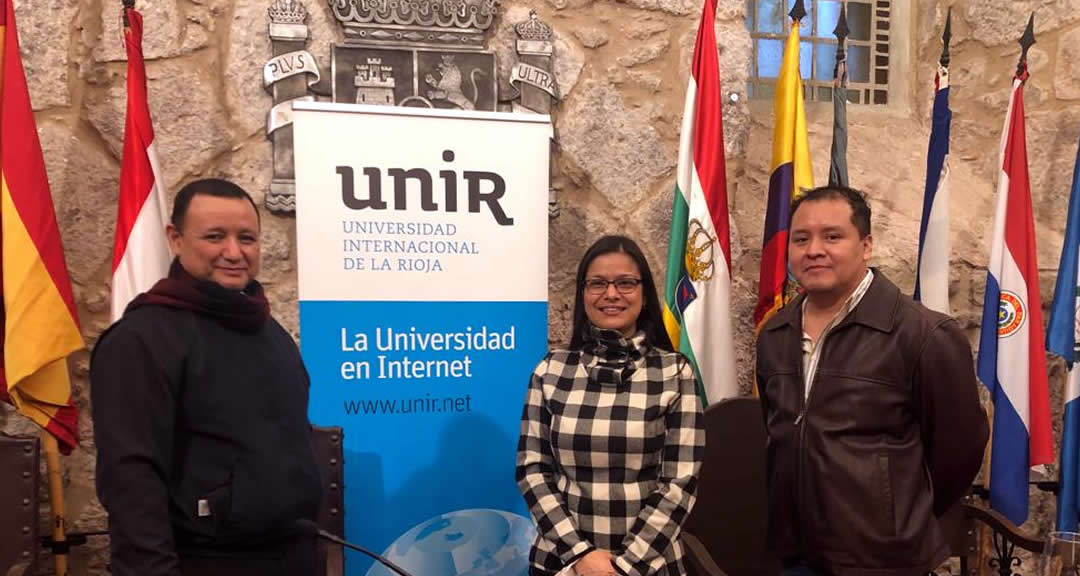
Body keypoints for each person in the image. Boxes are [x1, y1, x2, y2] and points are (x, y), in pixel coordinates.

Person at [90, 178, 324, 576]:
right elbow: (131, 480)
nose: (234, 253)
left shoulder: (273, 334)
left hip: (294, 559)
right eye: (215, 236)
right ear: (175, 239)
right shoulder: (140, 341)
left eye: (247, 238)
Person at [756, 186, 989, 576]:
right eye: (801, 239)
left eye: (832, 236)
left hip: (885, 560)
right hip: (797, 555)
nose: (813, 250)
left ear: (865, 245)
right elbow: (779, 431)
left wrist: (899, 517)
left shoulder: (923, 334)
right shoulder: (775, 334)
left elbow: (958, 452)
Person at [516, 235, 705, 576]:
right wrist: (581, 556)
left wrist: (624, 568)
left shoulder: (674, 372)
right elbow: (532, 471)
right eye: (598, 284)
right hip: (562, 563)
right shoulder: (550, 370)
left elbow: (680, 482)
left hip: (651, 565)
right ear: (583, 294)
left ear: (645, 293)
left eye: (626, 283)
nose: (611, 294)